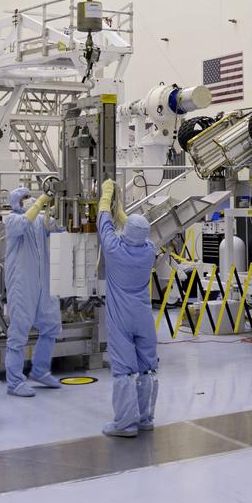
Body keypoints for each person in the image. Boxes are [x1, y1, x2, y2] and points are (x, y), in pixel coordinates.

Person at [97, 179, 158, 437]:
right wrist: (122, 211)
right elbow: (134, 232)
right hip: (143, 317)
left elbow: (104, 223)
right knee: (147, 368)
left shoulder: (114, 250)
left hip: (121, 318)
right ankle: (145, 418)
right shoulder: (149, 251)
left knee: (123, 371)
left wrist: (106, 196)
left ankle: (125, 424)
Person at [3, 185, 63, 397]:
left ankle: (40, 370)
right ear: (15, 202)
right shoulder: (11, 219)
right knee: (19, 329)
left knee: (51, 324)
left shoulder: (39, 220)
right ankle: (14, 382)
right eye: (24, 198)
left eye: (30, 196)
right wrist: (39, 203)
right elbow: (22, 224)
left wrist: (62, 207)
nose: (29, 199)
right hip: (21, 283)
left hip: (43, 281)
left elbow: (58, 227)